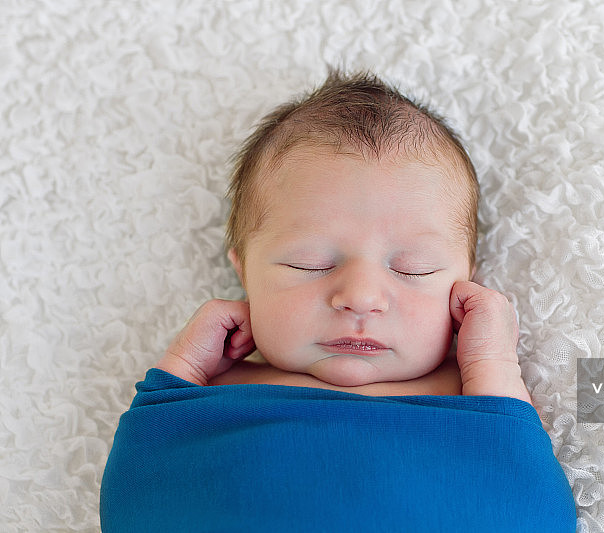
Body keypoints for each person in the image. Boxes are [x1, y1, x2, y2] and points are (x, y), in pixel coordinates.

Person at [100, 70, 576, 532]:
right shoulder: (212, 392)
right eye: (309, 264)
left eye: (414, 268)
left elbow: (534, 504)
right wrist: (181, 371)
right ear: (243, 270)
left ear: (464, 285)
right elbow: (139, 498)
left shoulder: (481, 384)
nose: (361, 298)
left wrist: (494, 365)